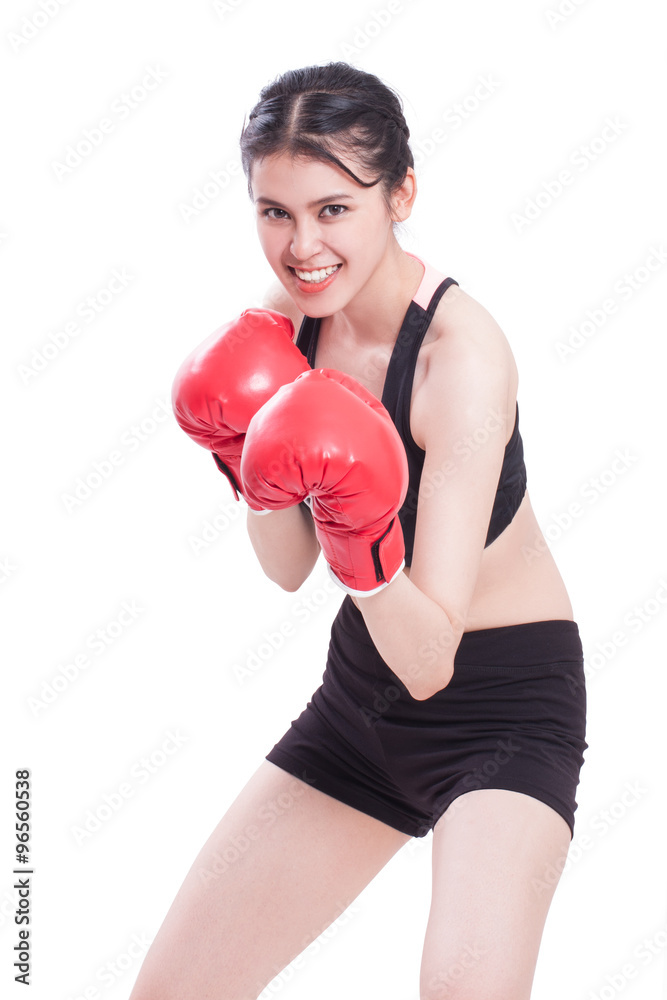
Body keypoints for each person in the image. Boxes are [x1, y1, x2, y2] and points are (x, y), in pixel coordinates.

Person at [129, 61, 588, 1000]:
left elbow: (430, 659)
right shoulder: (283, 329)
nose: (301, 247)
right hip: (359, 701)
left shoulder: (461, 358)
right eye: (275, 212)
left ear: (400, 195)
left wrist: (364, 537)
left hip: (501, 708)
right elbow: (288, 569)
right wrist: (243, 458)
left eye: (333, 210)